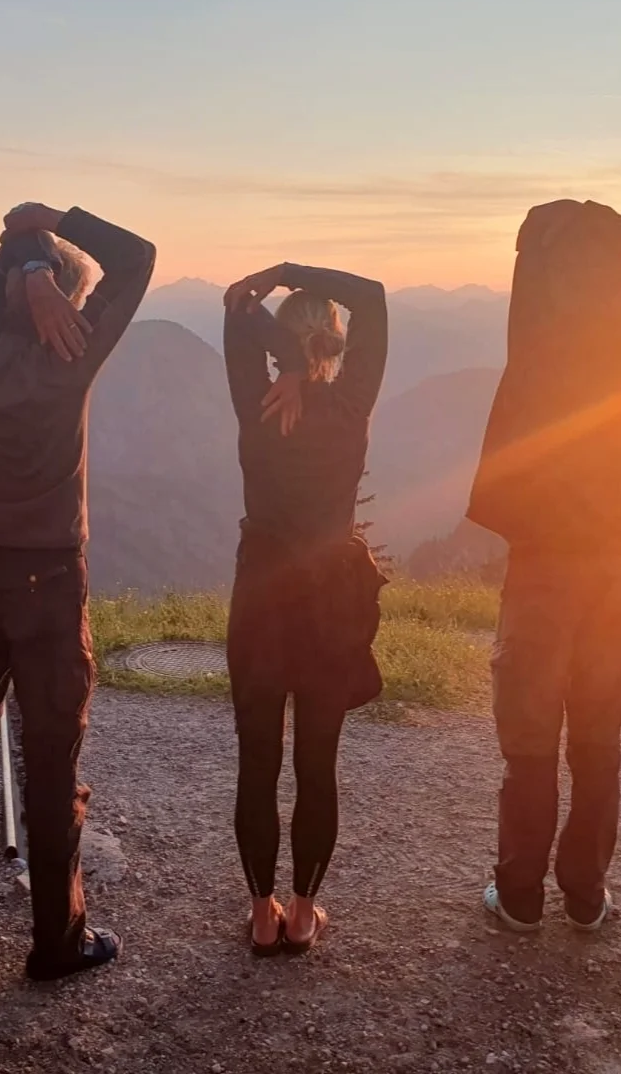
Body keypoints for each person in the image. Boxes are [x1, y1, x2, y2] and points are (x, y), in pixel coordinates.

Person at [0, 202, 155, 981]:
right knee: (50, 767)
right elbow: (139, 256)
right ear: (67, 300)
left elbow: (1, 272)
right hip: (48, 585)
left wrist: (26, 260)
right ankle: (56, 941)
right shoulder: (73, 353)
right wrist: (59, 222)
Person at [466, 200, 621, 933]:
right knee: (597, 740)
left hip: (544, 566)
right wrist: (616, 230)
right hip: (615, 571)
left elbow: (535, 230)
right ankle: (585, 895)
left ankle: (520, 894)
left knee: (528, 741)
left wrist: (577, 222)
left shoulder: (538, 360)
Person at [221, 262, 389, 956]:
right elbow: (373, 296)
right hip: (329, 604)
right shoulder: (350, 404)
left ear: (285, 345)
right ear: (339, 343)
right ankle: (301, 913)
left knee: (257, 762)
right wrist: (291, 270)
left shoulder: (255, 401)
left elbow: (234, 305)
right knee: (317, 765)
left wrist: (278, 340)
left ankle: (260, 915)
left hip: (260, 598)